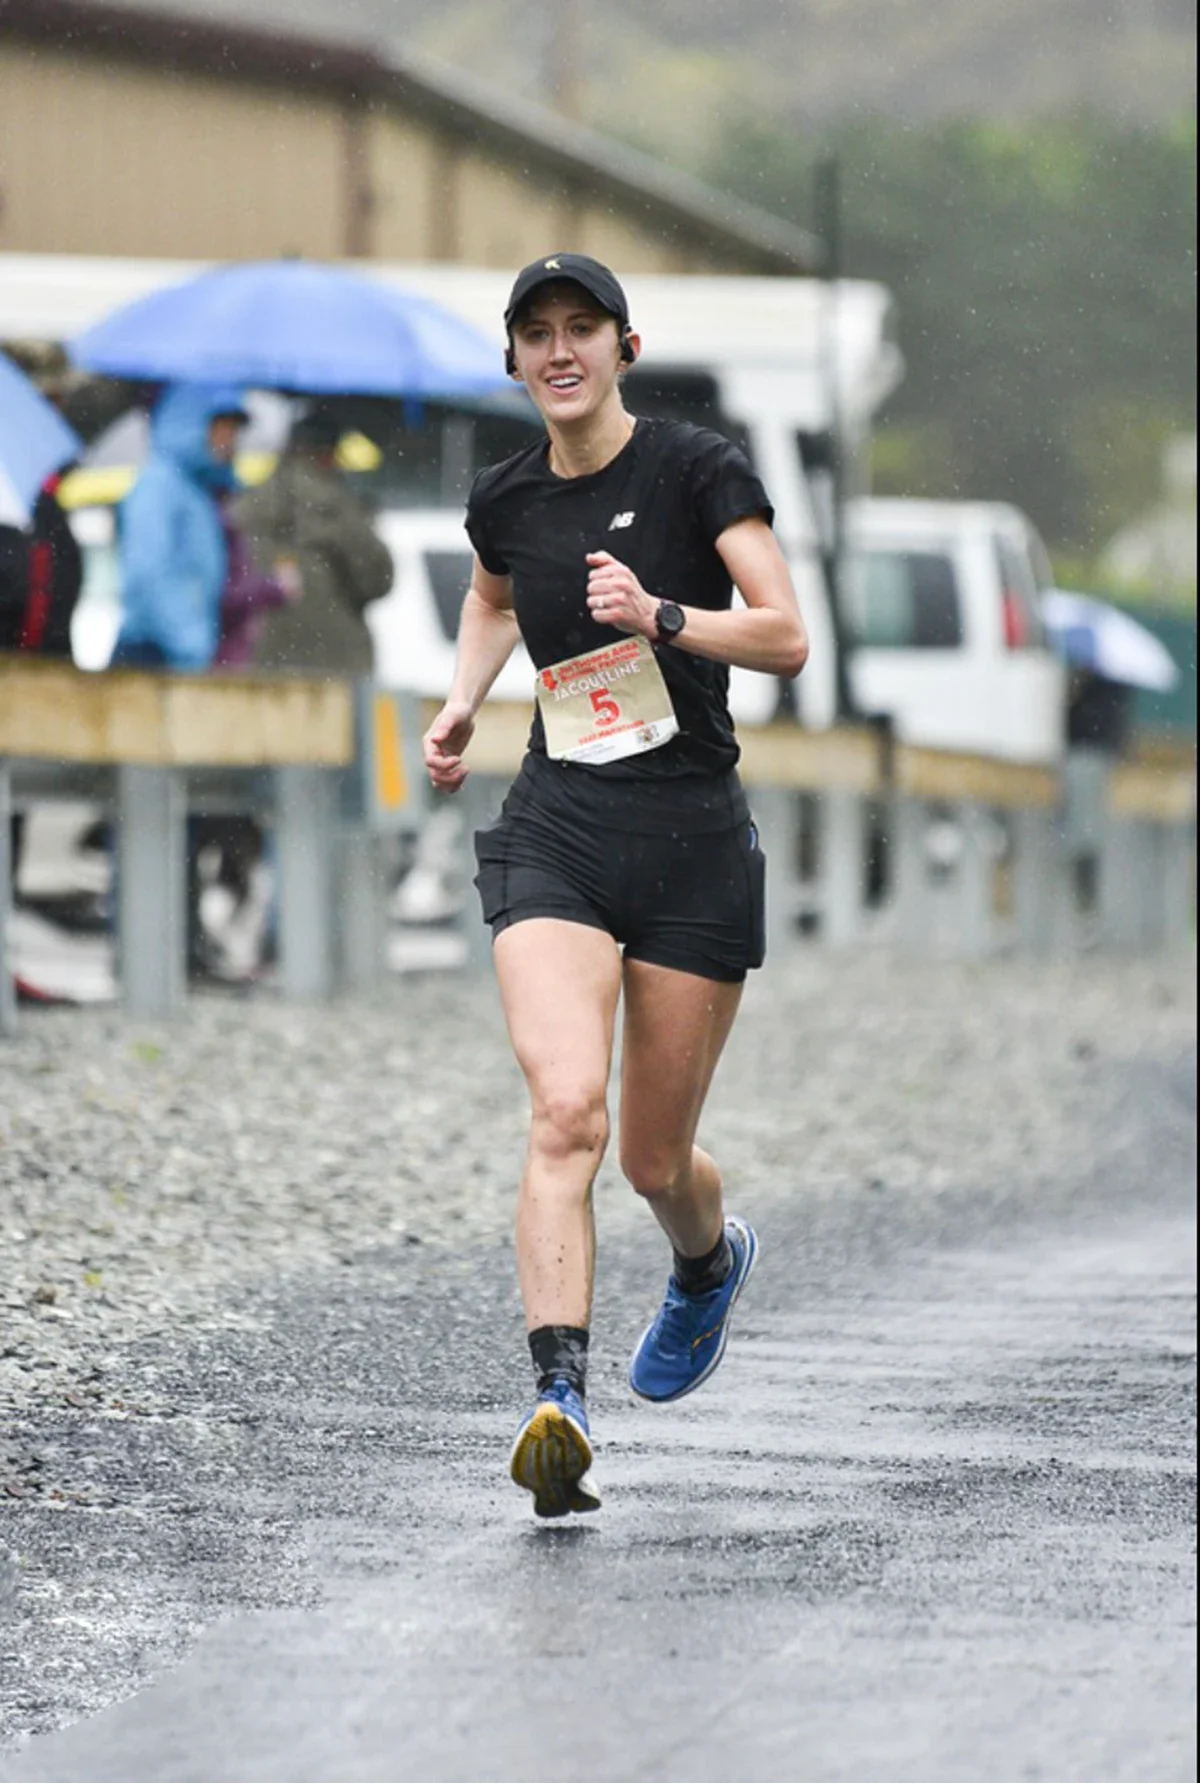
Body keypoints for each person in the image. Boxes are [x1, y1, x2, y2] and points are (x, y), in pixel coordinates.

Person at [422, 253, 808, 1519]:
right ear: (516, 362)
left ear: (624, 347)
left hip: (694, 838)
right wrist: (462, 700)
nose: (560, 349)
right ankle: (560, 1399)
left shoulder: (697, 469)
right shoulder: (509, 494)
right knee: (565, 1113)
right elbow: (490, 596)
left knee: (651, 1158)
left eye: (581, 326)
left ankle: (707, 1259)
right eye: (536, 332)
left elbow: (789, 634)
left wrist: (661, 615)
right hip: (561, 827)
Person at [233, 404, 393, 678]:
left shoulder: (247, 505)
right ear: (329, 454)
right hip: (337, 663)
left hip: (263, 662)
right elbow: (379, 580)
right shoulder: (340, 506)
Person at [110, 383, 249, 670]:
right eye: (221, 426)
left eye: (234, 429)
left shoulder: (197, 490)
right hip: (152, 652)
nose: (230, 439)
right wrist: (188, 642)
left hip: (176, 653)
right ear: (191, 425)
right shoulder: (159, 484)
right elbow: (146, 572)